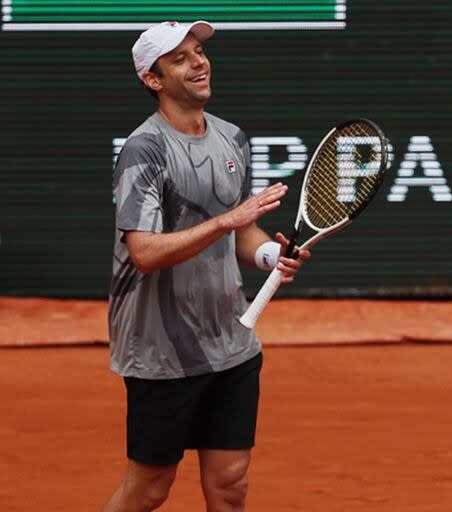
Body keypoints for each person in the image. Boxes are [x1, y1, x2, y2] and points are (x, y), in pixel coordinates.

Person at [104, 20, 310, 512]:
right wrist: (227, 222)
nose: (199, 62)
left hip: (231, 341)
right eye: (180, 59)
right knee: (149, 489)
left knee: (230, 486)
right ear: (153, 80)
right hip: (161, 350)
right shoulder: (144, 150)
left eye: (199, 52)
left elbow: (243, 235)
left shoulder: (232, 138)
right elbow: (145, 252)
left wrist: (268, 255)